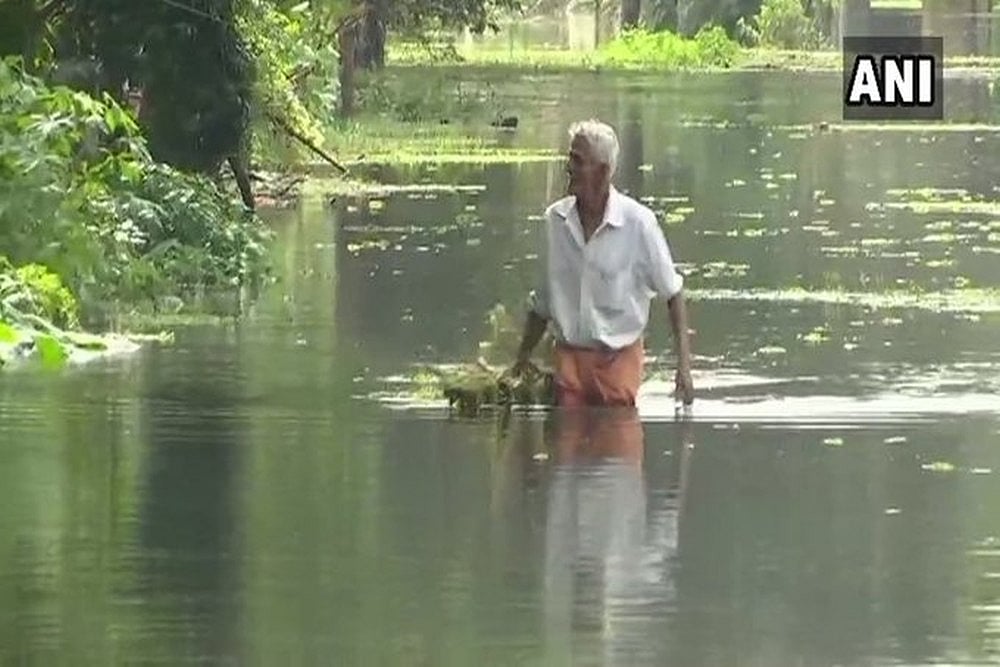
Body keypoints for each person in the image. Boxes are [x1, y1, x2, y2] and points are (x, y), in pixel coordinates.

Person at [512, 118, 694, 408]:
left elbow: (673, 293)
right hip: (568, 363)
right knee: (566, 443)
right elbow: (543, 303)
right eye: (569, 158)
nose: (568, 167)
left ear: (603, 172)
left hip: (617, 364)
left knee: (615, 444)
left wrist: (683, 368)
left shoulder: (639, 224)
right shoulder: (554, 222)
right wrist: (520, 360)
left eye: (577, 160)